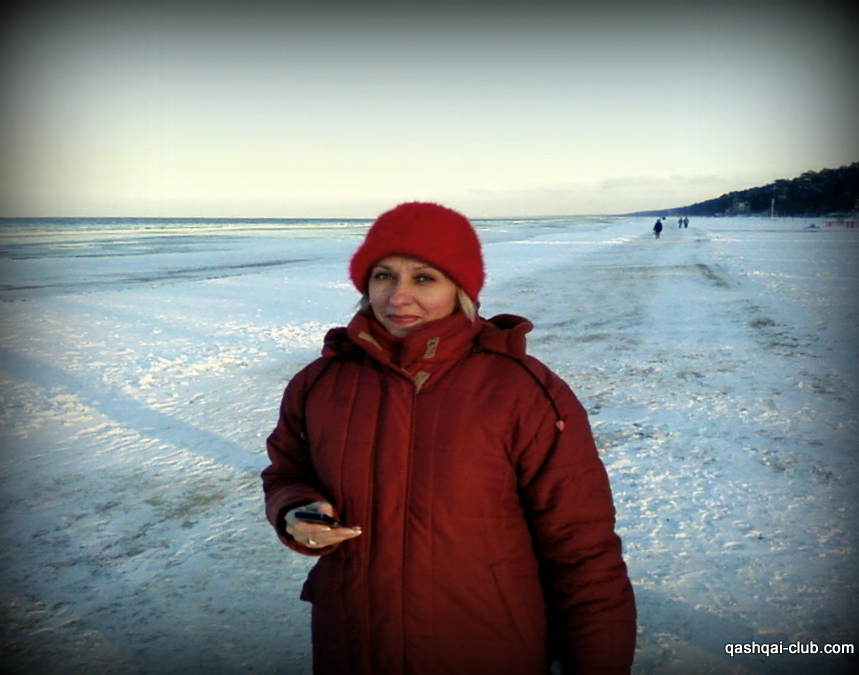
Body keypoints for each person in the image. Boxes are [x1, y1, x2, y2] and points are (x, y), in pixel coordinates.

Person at [261, 202, 636, 675]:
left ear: (460, 289)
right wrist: (295, 511)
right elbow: (287, 472)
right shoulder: (319, 382)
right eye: (383, 276)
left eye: (424, 278)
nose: (398, 296)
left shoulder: (523, 390)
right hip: (352, 645)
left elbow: (582, 550)